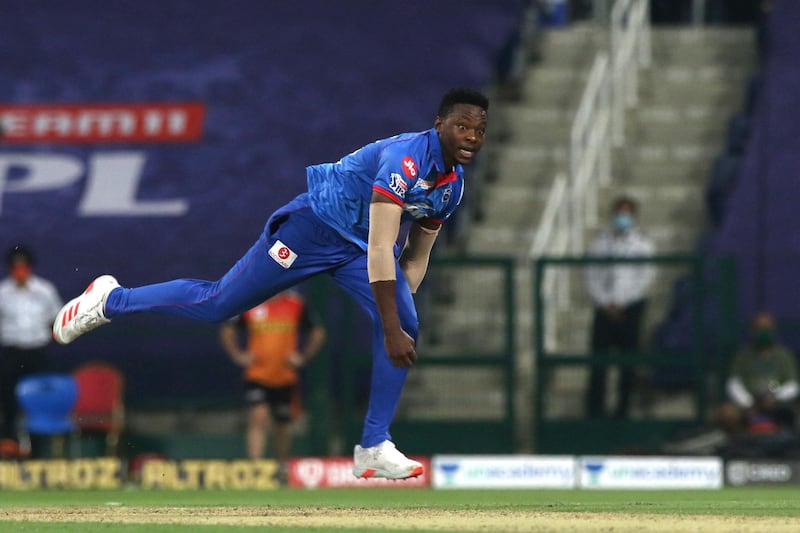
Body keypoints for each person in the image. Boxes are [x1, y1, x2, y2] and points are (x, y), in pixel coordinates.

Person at [52, 87, 489, 480]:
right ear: (439, 125)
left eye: (479, 130)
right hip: (313, 229)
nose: (471, 136)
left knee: (404, 321)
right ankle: (112, 299)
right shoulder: (405, 160)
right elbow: (382, 250)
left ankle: (374, 446)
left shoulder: (451, 187)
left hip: (356, 248)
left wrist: (397, 319)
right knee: (217, 303)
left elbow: (414, 259)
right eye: (462, 126)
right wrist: (391, 327)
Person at [219, 290, 326, 468]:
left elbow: (318, 332)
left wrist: (303, 357)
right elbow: (227, 330)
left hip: (285, 376)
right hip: (257, 375)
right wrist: (238, 355)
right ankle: (256, 468)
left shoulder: (296, 304)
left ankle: (282, 467)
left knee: (282, 425)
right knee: (258, 417)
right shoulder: (251, 301)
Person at [584, 196, 655, 418]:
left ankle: (623, 411)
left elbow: (645, 278)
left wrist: (623, 303)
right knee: (599, 363)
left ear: (634, 217)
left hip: (630, 309)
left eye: (627, 213)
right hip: (604, 309)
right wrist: (605, 302)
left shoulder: (642, 245)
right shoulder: (600, 243)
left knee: (628, 364)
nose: (622, 218)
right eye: (619, 213)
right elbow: (591, 275)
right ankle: (595, 413)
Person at [0, 244, 63, 445]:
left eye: (23, 267)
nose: (20, 272)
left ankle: (39, 446)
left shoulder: (45, 290)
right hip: (11, 352)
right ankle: (10, 443)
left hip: (37, 352)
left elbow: (57, 318)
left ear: (30, 268)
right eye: (15, 267)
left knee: (39, 399)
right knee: (8, 399)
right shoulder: (3, 292)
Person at [717, 311, 799, 435]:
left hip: (779, 405)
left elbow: (793, 385)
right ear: (752, 331)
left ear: (774, 330)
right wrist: (749, 403)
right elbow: (734, 384)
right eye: (759, 328)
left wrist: (776, 398)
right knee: (727, 413)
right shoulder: (743, 357)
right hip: (749, 405)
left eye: (767, 328)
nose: (763, 332)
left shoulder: (784, 356)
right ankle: (738, 446)